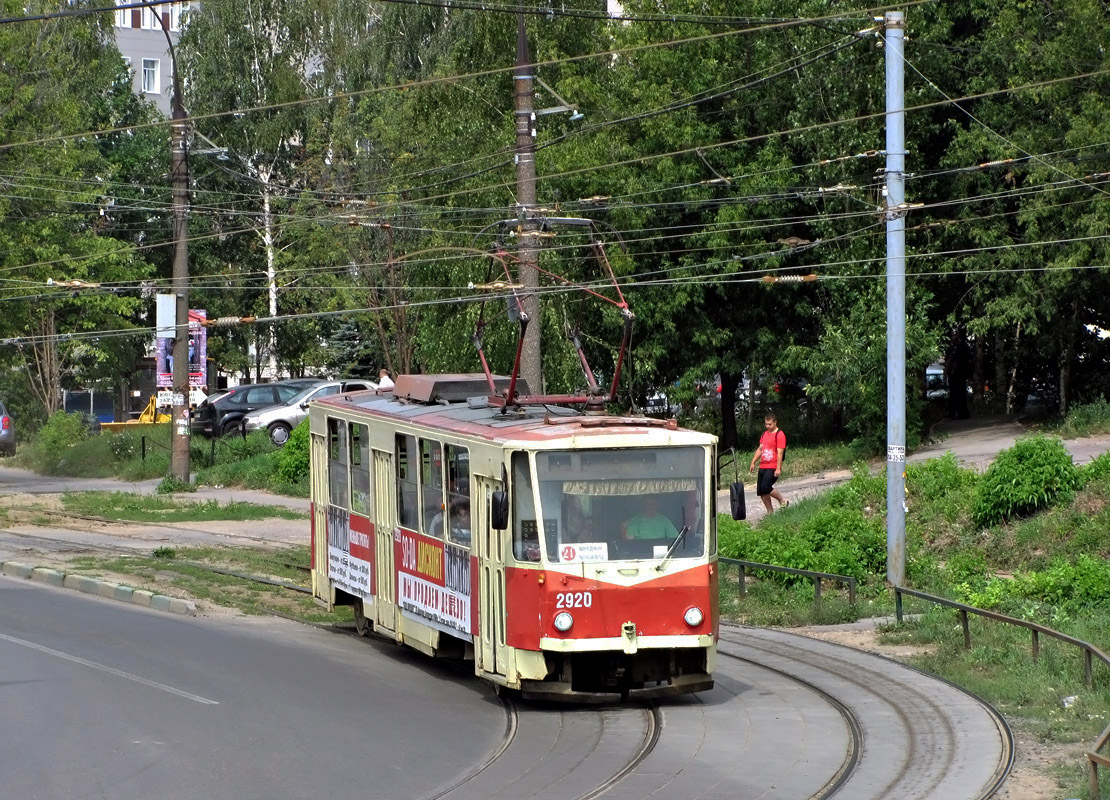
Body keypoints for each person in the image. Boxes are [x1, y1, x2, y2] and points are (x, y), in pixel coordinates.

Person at [749, 411, 788, 513]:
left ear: (775, 422)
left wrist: (778, 468)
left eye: (770, 424)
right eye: (766, 424)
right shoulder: (764, 434)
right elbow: (760, 449)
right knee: (761, 491)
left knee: (766, 487)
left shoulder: (780, 435)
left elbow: (780, 453)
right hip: (763, 466)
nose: (767, 426)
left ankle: (782, 500)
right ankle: (770, 512)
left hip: (773, 466)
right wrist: (753, 462)